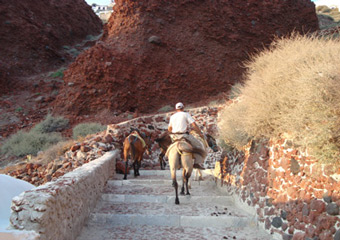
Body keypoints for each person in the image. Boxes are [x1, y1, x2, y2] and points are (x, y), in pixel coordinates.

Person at [168, 102, 206, 169]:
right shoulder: (186, 114)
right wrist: (200, 133)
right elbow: (193, 125)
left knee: (169, 147)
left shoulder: (172, 116)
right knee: (199, 145)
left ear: (176, 109)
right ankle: (197, 163)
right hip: (183, 135)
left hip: (174, 137)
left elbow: (169, 128)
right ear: (183, 107)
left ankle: (167, 157)